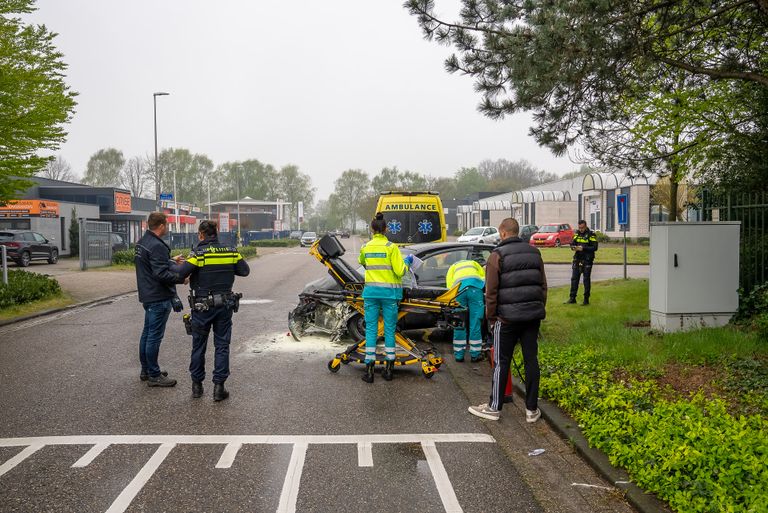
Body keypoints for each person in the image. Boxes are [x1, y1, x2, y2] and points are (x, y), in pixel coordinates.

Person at [468, 218, 547, 423]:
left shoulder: (497, 255)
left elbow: (491, 292)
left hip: (506, 318)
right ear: (517, 232)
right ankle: (531, 409)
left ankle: (494, 407)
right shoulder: (534, 253)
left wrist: (491, 318)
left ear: (503, 233)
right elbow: (542, 286)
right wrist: (538, 309)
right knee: (531, 360)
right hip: (532, 317)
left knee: (501, 362)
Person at [174, 221, 250, 401]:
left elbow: (181, 273)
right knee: (222, 346)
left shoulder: (198, 253)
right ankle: (219, 388)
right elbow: (244, 271)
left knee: (199, 345)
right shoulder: (231, 250)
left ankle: (197, 386)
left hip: (202, 307)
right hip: (224, 306)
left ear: (201, 234)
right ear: (215, 233)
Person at [135, 212, 186, 387]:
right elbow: (161, 273)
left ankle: (146, 370)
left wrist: (170, 260)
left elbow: (153, 265)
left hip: (147, 294)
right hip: (158, 296)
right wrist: (182, 278)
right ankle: (154, 375)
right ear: (162, 225)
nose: (168, 227)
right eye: (167, 224)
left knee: (147, 334)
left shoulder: (142, 243)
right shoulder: (157, 245)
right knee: (154, 337)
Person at [358, 212, 409, 383]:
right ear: (386, 229)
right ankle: (388, 370)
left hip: (371, 295)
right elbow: (400, 271)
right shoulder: (391, 247)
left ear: (372, 229)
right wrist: (407, 263)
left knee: (371, 330)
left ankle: (370, 371)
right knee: (389, 330)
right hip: (389, 296)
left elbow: (363, 263)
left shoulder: (365, 247)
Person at [446, 259, 485, 362]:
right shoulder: (474, 263)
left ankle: (459, 355)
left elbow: (449, 286)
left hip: (459, 291)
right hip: (475, 290)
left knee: (459, 322)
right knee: (476, 322)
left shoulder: (453, 266)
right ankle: (475, 354)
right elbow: (483, 278)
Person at [567, 220, 598, 306]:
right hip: (577, 259)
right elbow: (572, 243)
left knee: (586, 280)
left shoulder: (591, 235)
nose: (581, 229)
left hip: (587, 260)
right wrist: (573, 247)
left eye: (582, 228)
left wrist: (583, 248)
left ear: (586, 226)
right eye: (579, 228)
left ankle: (586, 300)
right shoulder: (577, 234)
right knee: (574, 279)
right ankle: (572, 298)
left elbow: (595, 247)